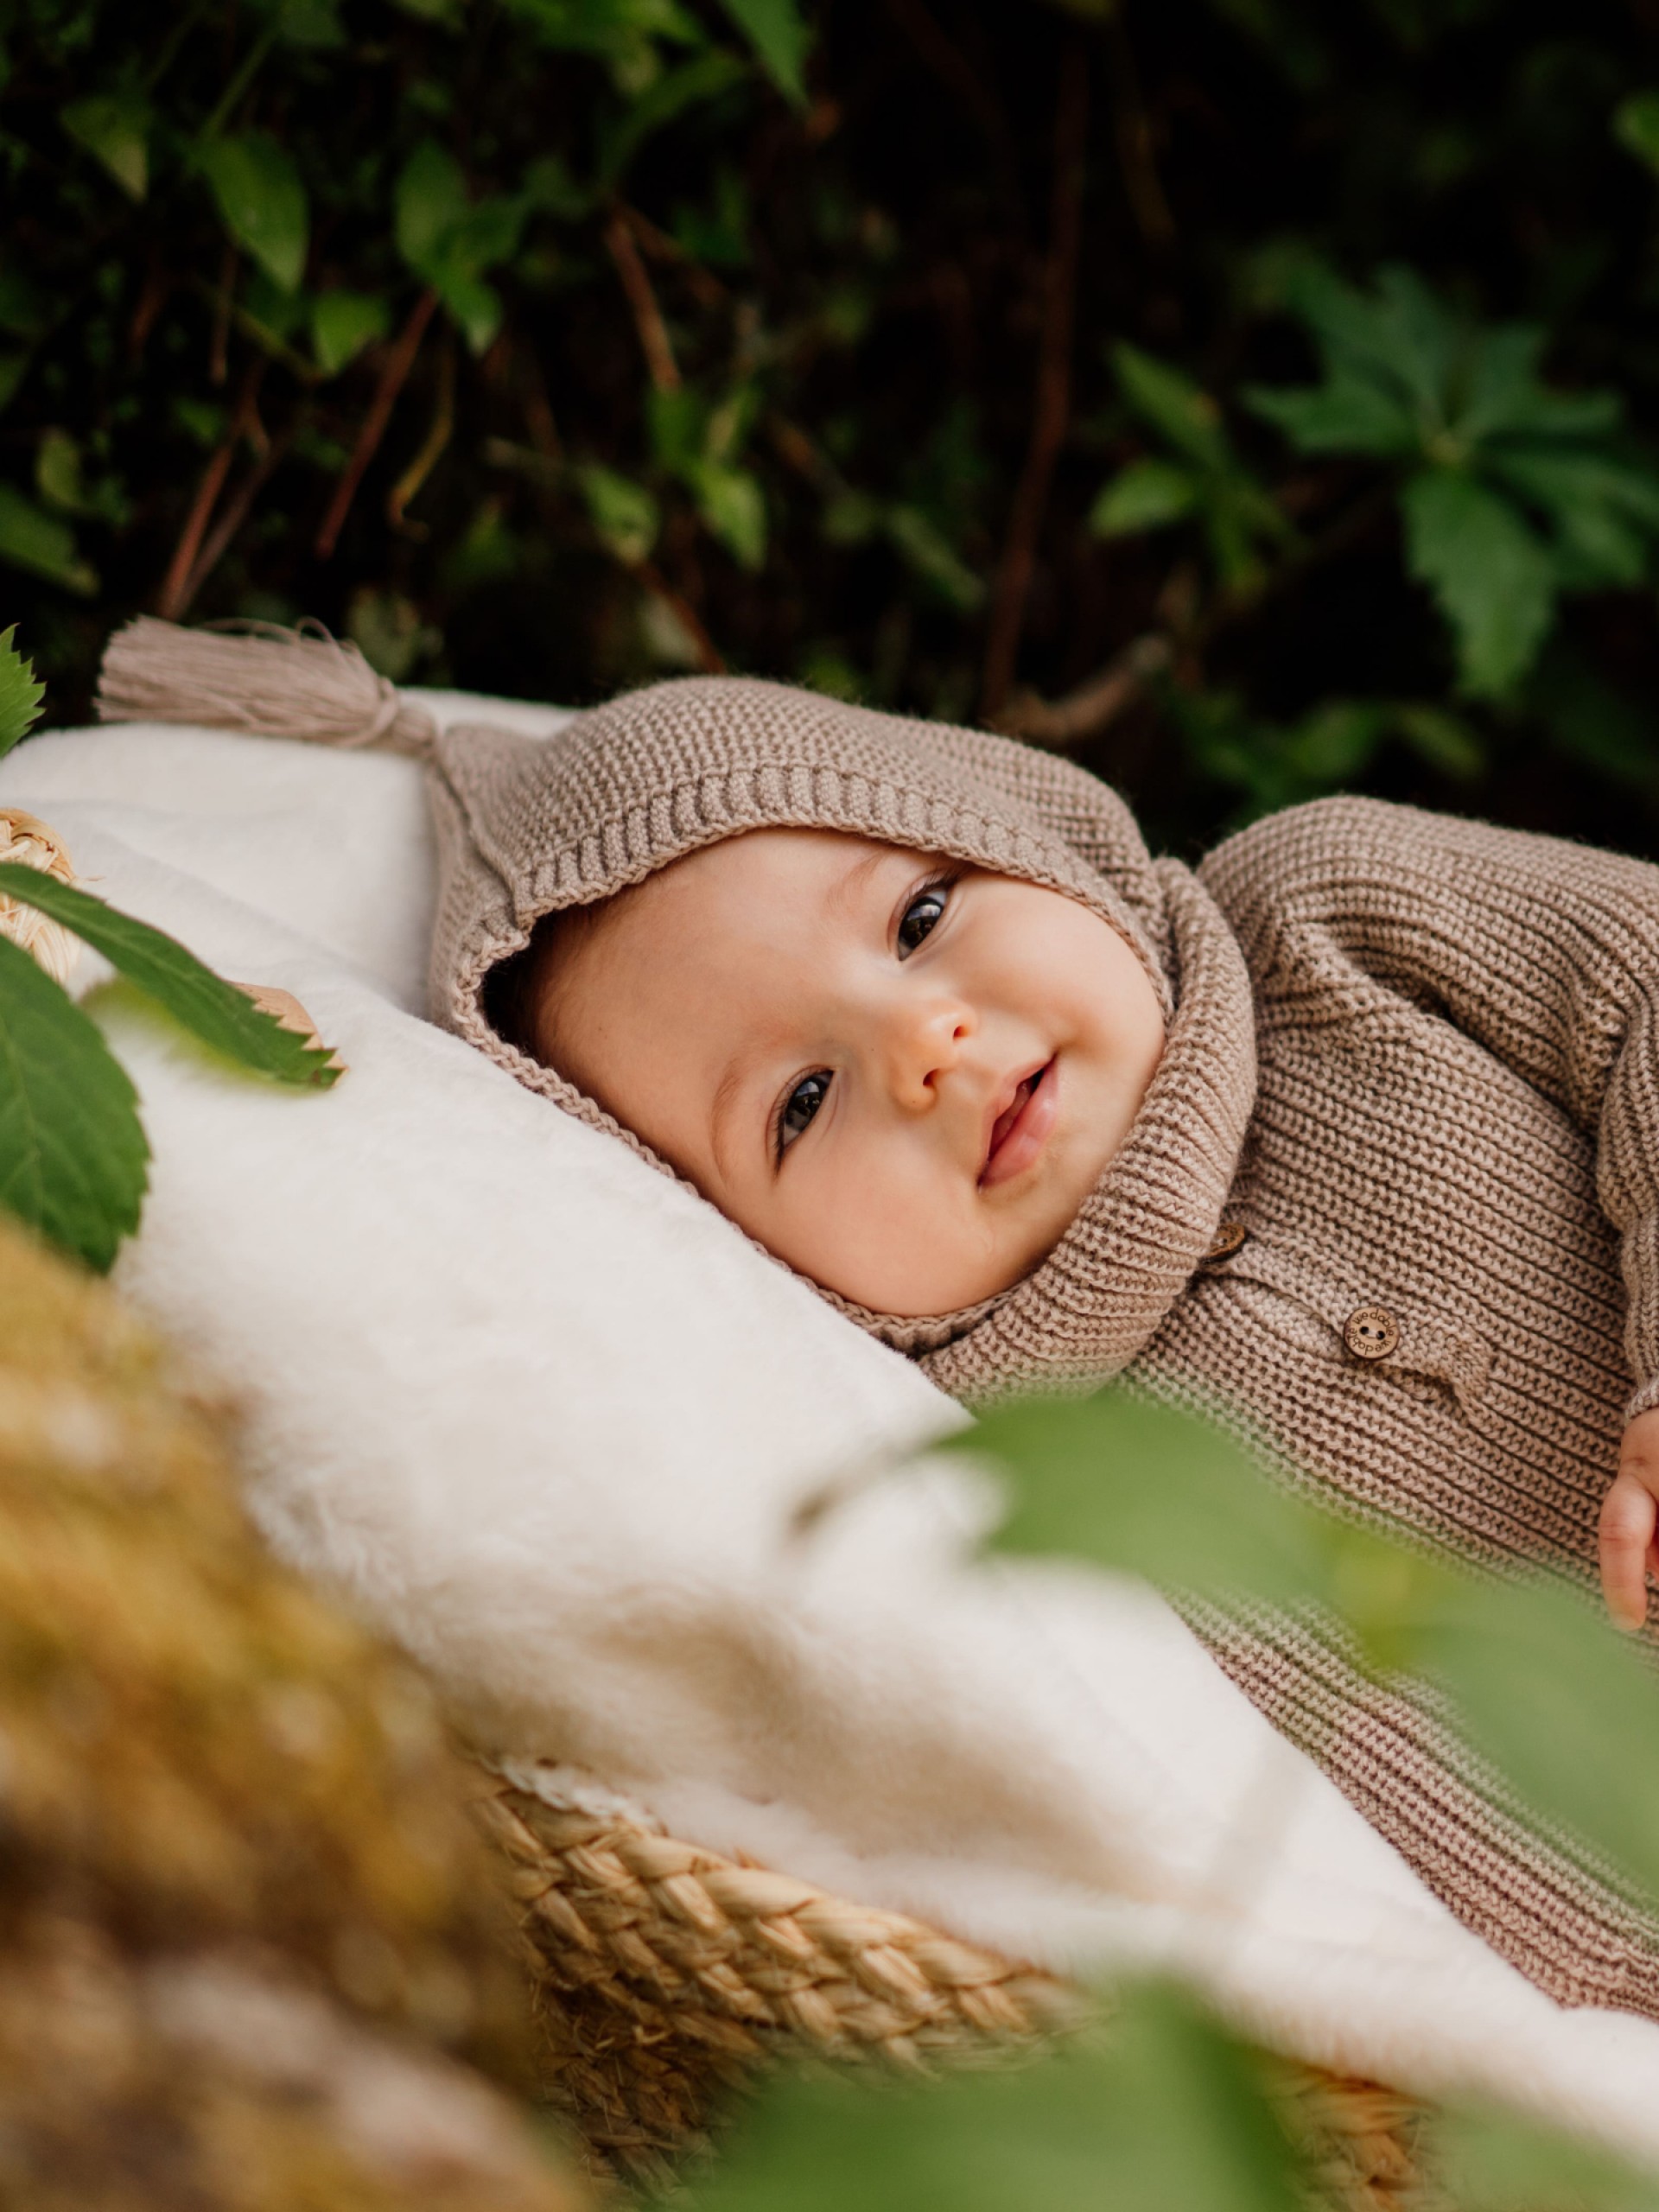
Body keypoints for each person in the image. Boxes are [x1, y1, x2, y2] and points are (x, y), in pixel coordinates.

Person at [92, 624, 1659, 2022]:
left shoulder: (1323, 915)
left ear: (1012, 826)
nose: (927, 1038)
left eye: (917, 917)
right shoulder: (1029, 1525)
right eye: (800, 1104)